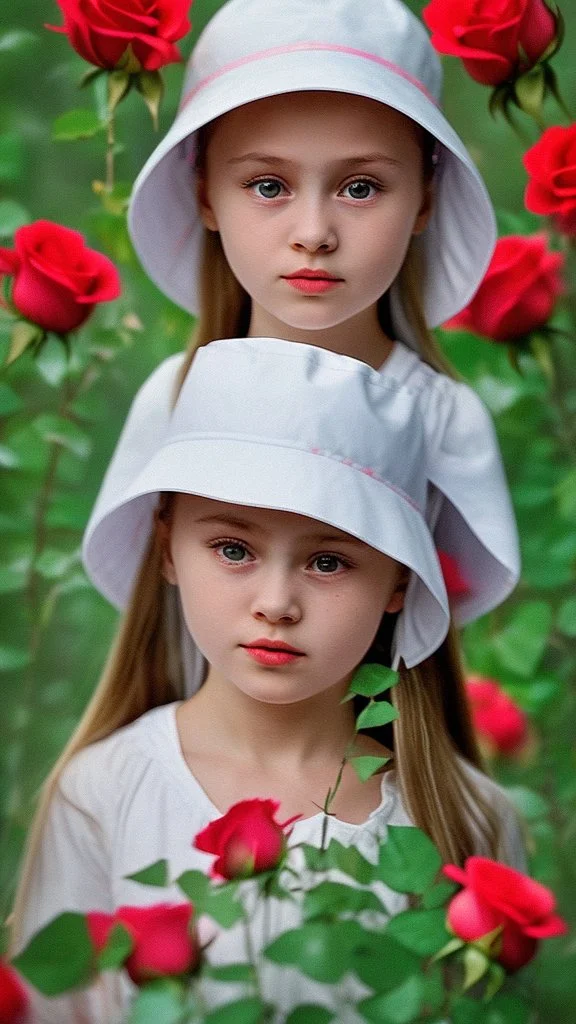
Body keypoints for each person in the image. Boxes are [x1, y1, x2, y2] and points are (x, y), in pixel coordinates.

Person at [10, 337, 525, 1022]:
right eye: (233, 549)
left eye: (329, 561)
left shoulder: (468, 820)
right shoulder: (101, 795)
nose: (276, 603)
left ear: (399, 579)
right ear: (168, 550)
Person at [100, 0, 520, 624]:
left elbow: (447, 626)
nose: (314, 233)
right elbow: (156, 626)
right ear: (205, 196)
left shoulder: (443, 422)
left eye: (360, 187)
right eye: (269, 186)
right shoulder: (174, 401)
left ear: (425, 200)